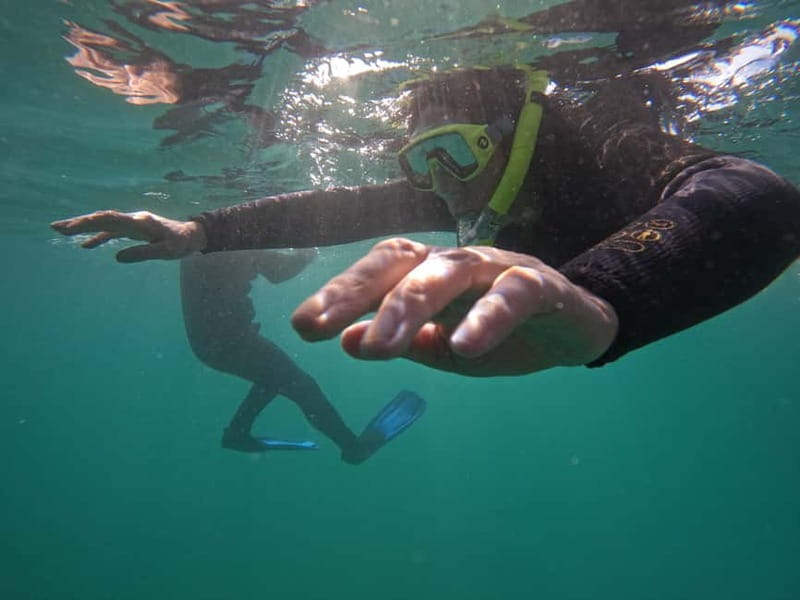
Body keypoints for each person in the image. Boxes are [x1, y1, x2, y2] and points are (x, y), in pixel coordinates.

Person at [51, 13, 800, 378]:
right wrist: (196, 232)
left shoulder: (600, 131)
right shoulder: (459, 180)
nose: (440, 181)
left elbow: (758, 195)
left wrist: (603, 300)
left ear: (511, 130)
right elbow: (345, 208)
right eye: (420, 162)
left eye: (451, 151)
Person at [176, 248, 426, 464]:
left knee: (276, 377)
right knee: (301, 385)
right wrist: (309, 252)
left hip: (211, 340)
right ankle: (351, 447)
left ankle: (238, 431)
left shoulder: (206, 234)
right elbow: (277, 271)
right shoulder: (233, 234)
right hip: (229, 341)